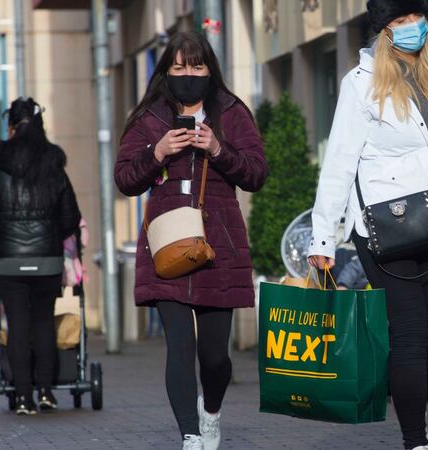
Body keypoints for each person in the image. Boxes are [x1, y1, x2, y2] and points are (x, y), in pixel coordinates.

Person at [307, 2, 428, 448]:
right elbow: (339, 163)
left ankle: (400, 385)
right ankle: (417, 440)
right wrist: (323, 237)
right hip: (384, 228)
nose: (409, 28)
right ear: (383, 32)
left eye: (414, 18)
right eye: (398, 22)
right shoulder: (361, 85)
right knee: (411, 333)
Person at [115, 31, 267, 450]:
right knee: (179, 347)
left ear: (209, 70)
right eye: (179, 67)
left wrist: (218, 149)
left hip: (220, 247)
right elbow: (125, 179)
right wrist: (158, 151)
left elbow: (256, 173)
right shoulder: (149, 117)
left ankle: (211, 413)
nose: (188, 75)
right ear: (166, 71)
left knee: (215, 357)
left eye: (197, 66)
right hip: (167, 244)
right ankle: (190, 434)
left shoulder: (232, 112)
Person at [0, 97, 81, 415]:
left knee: (18, 325)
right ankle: (46, 392)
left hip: (8, 259)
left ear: (11, 127)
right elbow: (69, 217)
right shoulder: (53, 164)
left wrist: (2, 233)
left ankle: (22, 396)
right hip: (47, 258)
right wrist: (49, 234)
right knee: (43, 322)